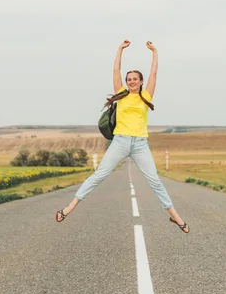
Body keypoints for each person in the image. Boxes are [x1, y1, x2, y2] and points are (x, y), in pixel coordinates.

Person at [55, 40, 189, 233]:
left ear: (141, 82)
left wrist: (154, 52)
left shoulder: (147, 97)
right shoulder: (121, 94)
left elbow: (154, 73)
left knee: (155, 181)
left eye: (135, 79)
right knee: (98, 176)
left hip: (140, 144)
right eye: (129, 79)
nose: (131, 81)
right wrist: (119, 50)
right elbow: (116, 70)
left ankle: (175, 216)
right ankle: (70, 207)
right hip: (120, 142)